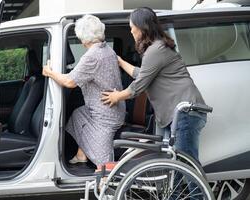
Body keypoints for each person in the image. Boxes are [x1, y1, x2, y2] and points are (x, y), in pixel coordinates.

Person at [101, 7, 207, 162]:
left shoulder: (155, 50)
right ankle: (176, 188)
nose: (131, 32)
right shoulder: (156, 48)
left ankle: (198, 188)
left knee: (186, 164)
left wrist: (117, 96)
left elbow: (139, 85)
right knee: (173, 164)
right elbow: (142, 74)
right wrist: (120, 61)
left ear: (142, 27)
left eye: (132, 28)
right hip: (176, 114)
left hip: (184, 112)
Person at [43, 15, 125, 168]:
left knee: (104, 165)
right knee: (77, 114)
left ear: (83, 38)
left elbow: (69, 82)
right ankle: (81, 154)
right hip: (112, 108)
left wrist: (49, 73)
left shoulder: (92, 56)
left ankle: (107, 182)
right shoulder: (107, 49)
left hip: (105, 116)